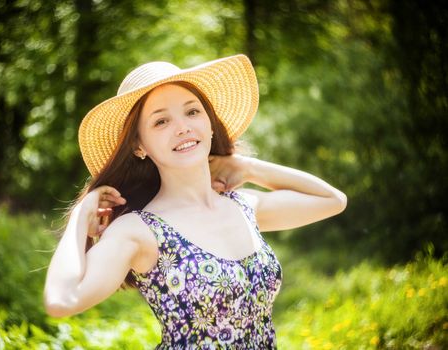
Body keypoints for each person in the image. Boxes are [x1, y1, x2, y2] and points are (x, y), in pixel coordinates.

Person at [43, 54, 347, 349]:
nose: (182, 127)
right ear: (138, 145)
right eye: (161, 121)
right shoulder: (139, 231)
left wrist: (248, 167)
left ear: (210, 123)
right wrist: (81, 217)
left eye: (192, 112)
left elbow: (333, 200)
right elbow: (61, 301)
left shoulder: (242, 207)